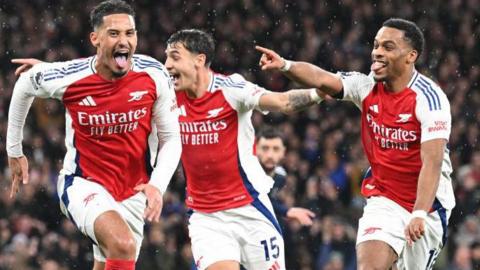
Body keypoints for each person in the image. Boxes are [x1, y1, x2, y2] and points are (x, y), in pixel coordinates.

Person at [256, 18, 455, 269]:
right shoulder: (366, 85)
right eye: (376, 45)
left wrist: (418, 212)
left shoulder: (429, 99)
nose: (377, 52)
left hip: (428, 206)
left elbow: (433, 162)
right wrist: (285, 65)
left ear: (410, 56)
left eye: (388, 47)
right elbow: (323, 79)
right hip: (384, 199)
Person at [6, 1, 181, 269]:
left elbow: (171, 139)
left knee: (109, 260)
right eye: (114, 34)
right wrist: (14, 150)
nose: (124, 41)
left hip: (135, 190)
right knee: (122, 245)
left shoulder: (154, 74)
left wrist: (157, 185)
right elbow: (25, 84)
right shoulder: (71, 77)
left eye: (130, 33)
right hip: (84, 183)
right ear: (95, 39)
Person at [165, 29, 323, 270]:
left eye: (175, 57)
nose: (167, 65)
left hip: (249, 208)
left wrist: (319, 92)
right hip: (206, 217)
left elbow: (283, 102)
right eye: (166, 57)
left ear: (199, 59)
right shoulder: (166, 97)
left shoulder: (231, 89)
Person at [255, 126, 315, 226]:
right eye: (265, 148)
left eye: (276, 149)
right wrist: (287, 211)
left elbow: (268, 201)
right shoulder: (243, 172)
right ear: (255, 150)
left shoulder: (280, 177)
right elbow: (258, 201)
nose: (270, 155)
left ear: (283, 152)